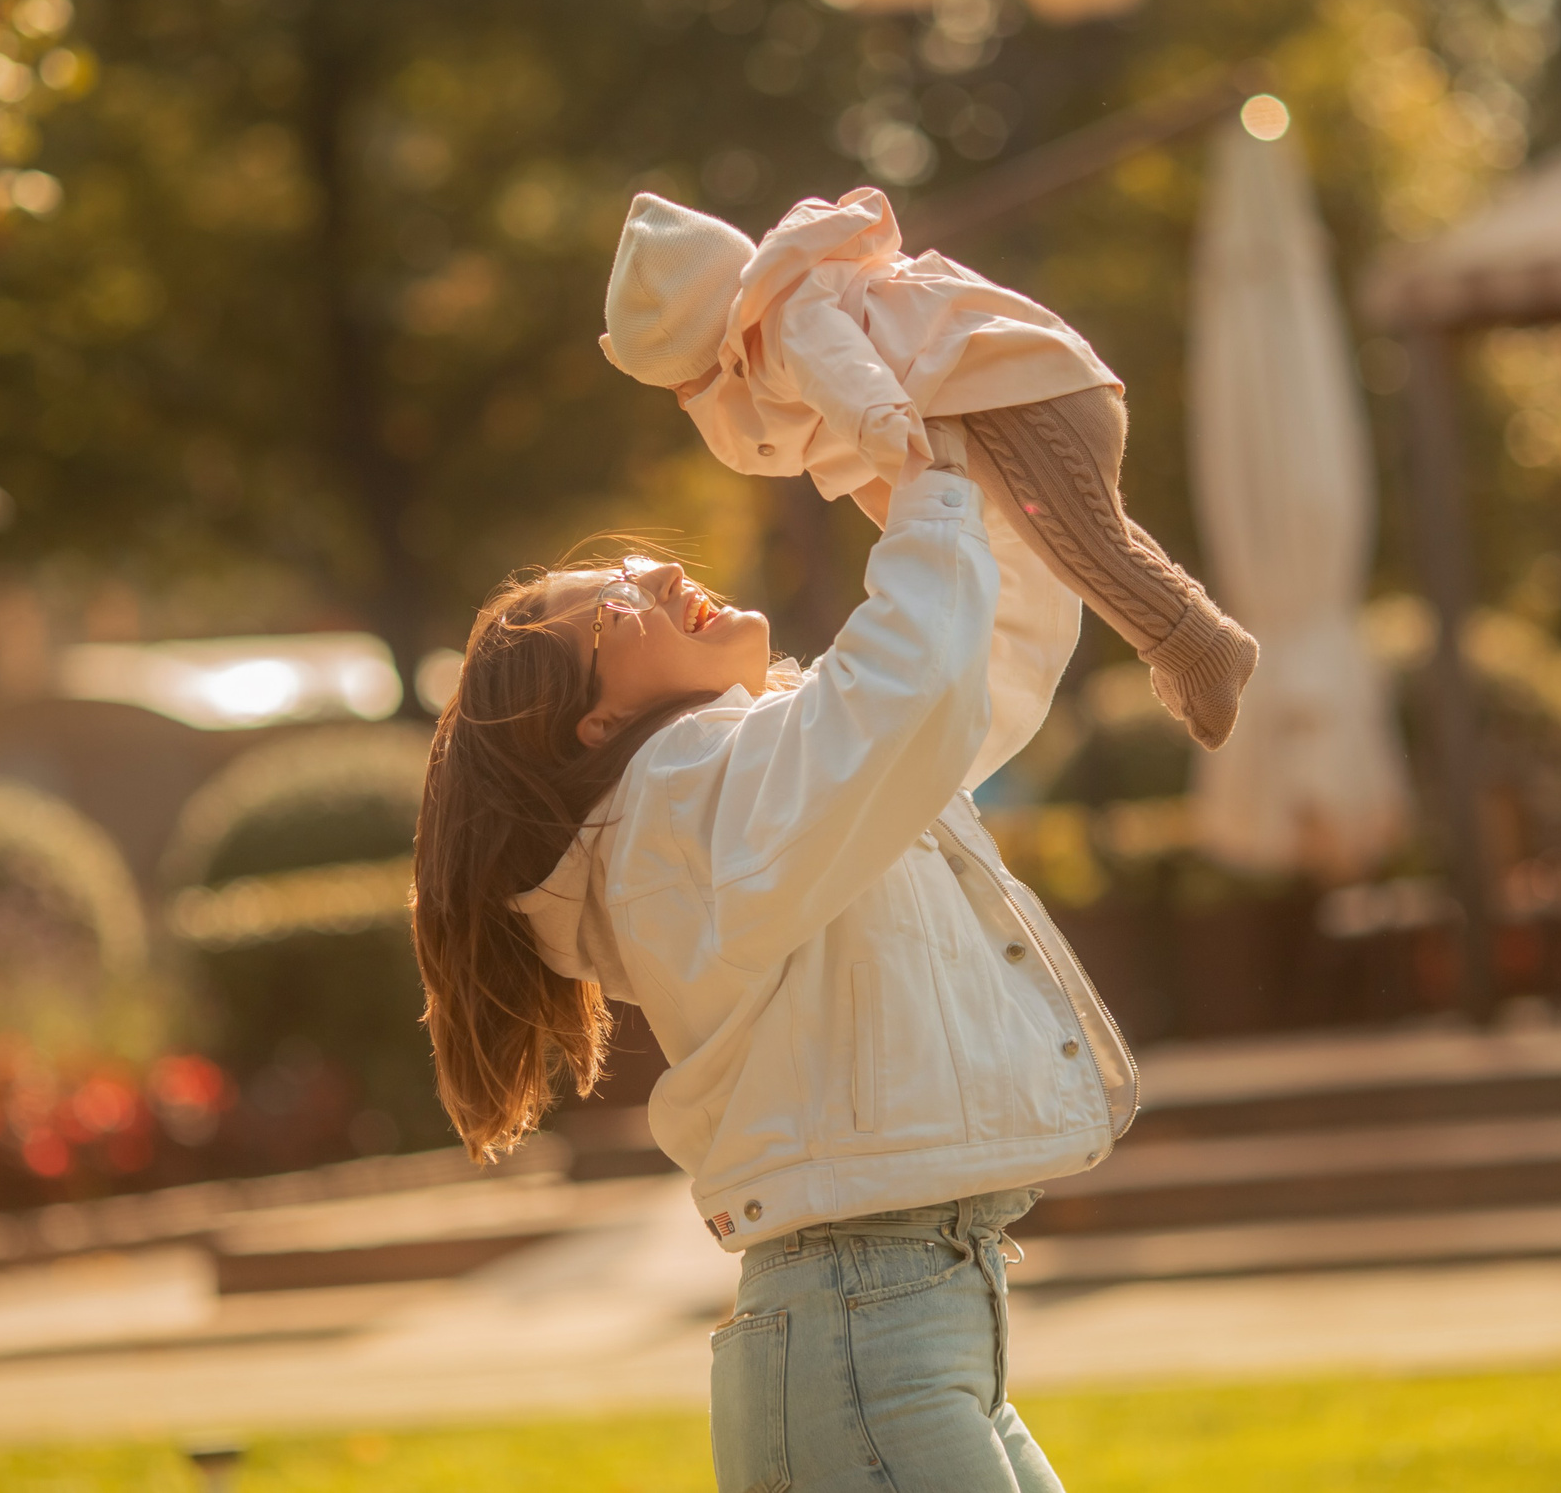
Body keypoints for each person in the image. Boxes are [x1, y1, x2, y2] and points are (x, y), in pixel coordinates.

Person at [410, 422, 1134, 1493]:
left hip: (893, 1330)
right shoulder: (681, 803)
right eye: (611, 605)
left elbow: (975, 670)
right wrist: (926, 487)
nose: (656, 570)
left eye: (628, 566)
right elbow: (909, 691)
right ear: (596, 722)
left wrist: (963, 469)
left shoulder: (753, 780)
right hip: (864, 1343)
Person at [599, 185, 1259, 749]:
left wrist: (889, 435)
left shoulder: (784, 321)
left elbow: (846, 374)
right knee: (1078, 533)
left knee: (1081, 543)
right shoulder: (798, 307)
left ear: (704, 355)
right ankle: (1186, 635)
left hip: (1018, 394)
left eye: (682, 390)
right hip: (1012, 396)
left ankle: (1196, 647)